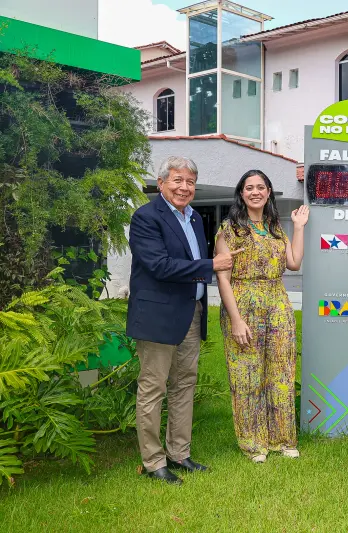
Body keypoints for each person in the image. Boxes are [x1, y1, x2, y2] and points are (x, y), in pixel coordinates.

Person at [128, 156, 239, 485]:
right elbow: (159, 265)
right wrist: (211, 265)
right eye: (177, 180)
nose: (184, 187)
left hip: (191, 313)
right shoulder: (146, 217)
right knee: (153, 388)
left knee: (184, 386)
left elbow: (191, 263)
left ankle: (179, 453)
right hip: (158, 317)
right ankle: (154, 462)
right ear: (161, 183)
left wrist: (209, 268)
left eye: (190, 182)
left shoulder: (194, 219)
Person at [215, 170, 309, 462]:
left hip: (277, 302)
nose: (255, 192)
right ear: (241, 194)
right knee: (247, 374)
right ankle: (253, 443)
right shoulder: (230, 229)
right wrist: (236, 320)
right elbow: (223, 278)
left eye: (260, 187)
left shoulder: (275, 227)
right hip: (242, 303)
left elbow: (293, 262)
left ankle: (283, 439)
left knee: (282, 372)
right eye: (249, 188)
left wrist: (299, 227)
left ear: (268, 192)